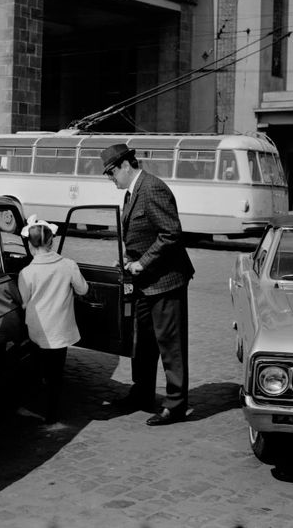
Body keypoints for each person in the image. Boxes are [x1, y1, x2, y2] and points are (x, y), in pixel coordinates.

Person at [101, 143, 195, 426]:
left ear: (125, 166)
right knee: (142, 342)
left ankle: (175, 404)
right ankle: (142, 393)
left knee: (170, 344)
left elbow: (171, 234)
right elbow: (143, 233)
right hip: (144, 282)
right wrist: (129, 258)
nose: (110, 179)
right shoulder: (131, 193)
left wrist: (143, 263)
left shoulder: (152, 188)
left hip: (165, 282)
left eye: (111, 173)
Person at [17, 215, 88, 425]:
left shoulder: (27, 272)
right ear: (51, 241)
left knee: (39, 367)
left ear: (30, 246)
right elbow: (83, 289)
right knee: (57, 371)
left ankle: (36, 401)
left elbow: (23, 301)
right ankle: (52, 412)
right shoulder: (68, 265)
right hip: (60, 329)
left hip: (37, 330)